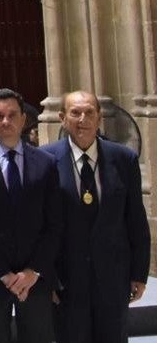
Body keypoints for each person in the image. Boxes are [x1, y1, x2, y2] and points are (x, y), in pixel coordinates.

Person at [43, 90, 149, 343]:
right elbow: (40, 224)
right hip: (67, 280)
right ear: (62, 118)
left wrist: (139, 273)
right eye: (75, 113)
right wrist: (47, 277)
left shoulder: (124, 158)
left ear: (100, 117)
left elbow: (135, 218)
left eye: (90, 112)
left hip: (113, 277)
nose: (83, 119)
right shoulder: (45, 160)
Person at [0, 88, 60, 343]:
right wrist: (4, 274)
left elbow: (54, 222)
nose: (6, 121)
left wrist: (33, 271)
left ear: (24, 119)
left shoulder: (46, 162)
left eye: (12, 115)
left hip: (35, 278)